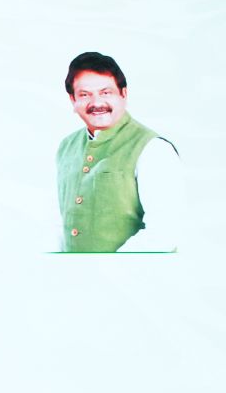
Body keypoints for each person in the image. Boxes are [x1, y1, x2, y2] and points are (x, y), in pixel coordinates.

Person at [56, 51, 180, 253]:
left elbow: (164, 233)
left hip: (137, 273)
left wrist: (106, 268)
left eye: (106, 93)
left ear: (123, 94)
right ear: (72, 100)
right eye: (85, 95)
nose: (97, 103)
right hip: (72, 273)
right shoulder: (66, 147)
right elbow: (59, 226)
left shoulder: (154, 149)